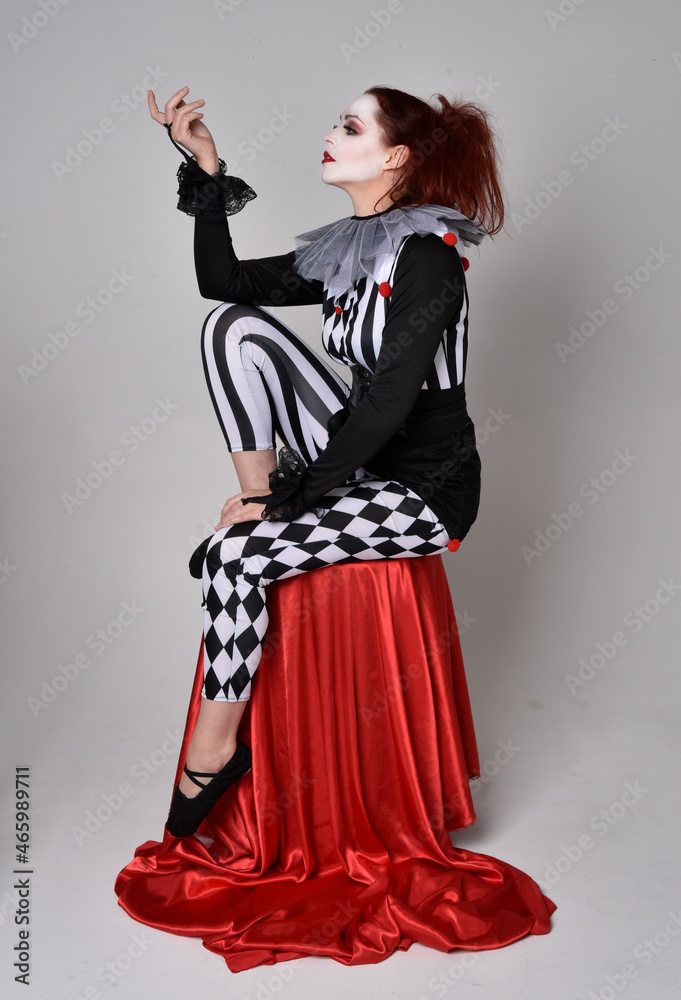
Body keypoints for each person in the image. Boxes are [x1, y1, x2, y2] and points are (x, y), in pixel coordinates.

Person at [147, 83, 504, 838]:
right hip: (356, 458)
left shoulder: (427, 260)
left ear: (396, 157)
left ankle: (213, 752)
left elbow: (391, 404)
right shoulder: (349, 248)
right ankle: (255, 507)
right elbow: (225, 281)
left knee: (236, 558)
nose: (330, 134)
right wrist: (207, 170)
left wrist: (292, 495)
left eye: (349, 126)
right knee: (232, 326)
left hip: (423, 488)